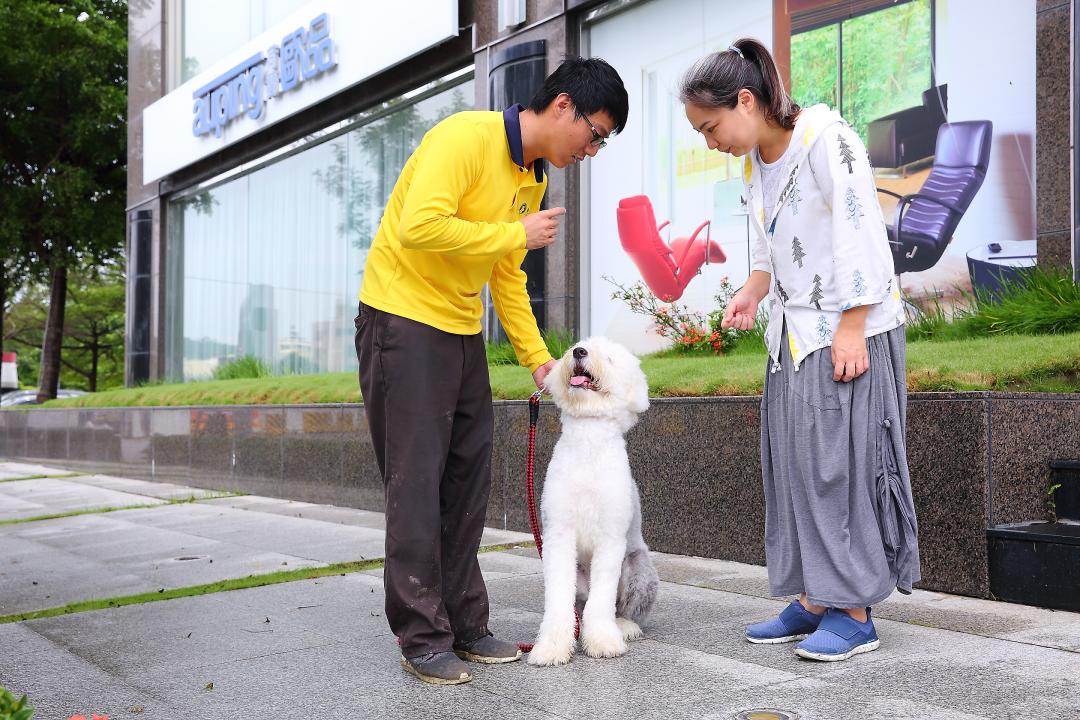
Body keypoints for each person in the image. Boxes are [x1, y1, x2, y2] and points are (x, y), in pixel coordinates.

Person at [354, 57, 628, 684]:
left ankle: (466, 622)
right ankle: (422, 636)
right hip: (401, 318)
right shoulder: (463, 137)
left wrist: (540, 363)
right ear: (563, 105)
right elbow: (420, 227)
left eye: (602, 141)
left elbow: (507, 275)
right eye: (595, 133)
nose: (592, 149)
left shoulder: (530, 177)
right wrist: (512, 234)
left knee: (467, 479)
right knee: (416, 483)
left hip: (459, 330)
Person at [679, 38, 919, 662]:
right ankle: (815, 595)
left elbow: (861, 226)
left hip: (845, 327)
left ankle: (856, 611)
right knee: (793, 465)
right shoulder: (757, 160)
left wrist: (852, 324)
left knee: (840, 465)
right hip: (792, 334)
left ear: (747, 100)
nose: (710, 142)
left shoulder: (824, 136)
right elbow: (772, 244)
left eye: (711, 127)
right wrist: (754, 290)